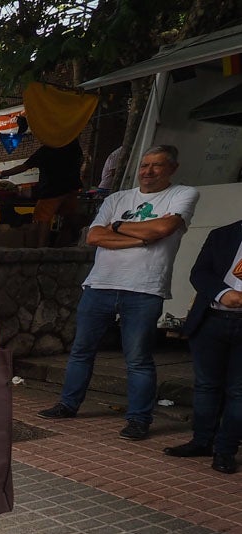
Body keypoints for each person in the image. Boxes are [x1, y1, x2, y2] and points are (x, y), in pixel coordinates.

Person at [37, 146, 200, 440]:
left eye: (157, 166)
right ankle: (68, 404)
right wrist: (140, 238)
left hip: (144, 287)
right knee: (81, 351)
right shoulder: (117, 198)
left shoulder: (183, 194)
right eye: (144, 165)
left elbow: (163, 228)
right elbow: (95, 236)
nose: (148, 171)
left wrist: (119, 227)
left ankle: (138, 419)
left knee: (137, 358)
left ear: (172, 168)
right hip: (100, 283)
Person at [164, 218, 242, 474]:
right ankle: (201, 441)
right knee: (206, 385)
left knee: (238, 391)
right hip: (212, 320)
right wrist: (222, 293)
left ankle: (226, 450)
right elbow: (200, 273)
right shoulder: (223, 233)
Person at [0, 137, 83, 245]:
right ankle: (64, 248)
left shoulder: (46, 151)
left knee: (43, 220)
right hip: (72, 189)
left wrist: (1, 174)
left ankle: (41, 249)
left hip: (51, 190)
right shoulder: (73, 146)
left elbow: (24, 167)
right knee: (68, 218)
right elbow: (81, 161)